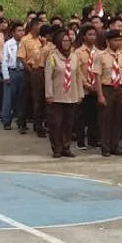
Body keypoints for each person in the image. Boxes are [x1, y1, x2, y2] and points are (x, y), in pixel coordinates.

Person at [44, 29, 80, 158]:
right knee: (56, 123)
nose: (66, 43)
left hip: (71, 95)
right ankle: (57, 148)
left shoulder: (74, 57)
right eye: (63, 41)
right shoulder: (53, 57)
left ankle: (66, 147)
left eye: (68, 41)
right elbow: (48, 76)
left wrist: (80, 93)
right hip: (57, 95)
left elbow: (78, 76)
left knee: (68, 123)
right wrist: (49, 94)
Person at [97, 29, 122, 157]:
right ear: (108, 41)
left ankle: (115, 146)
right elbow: (97, 76)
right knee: (106, 119)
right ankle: (105, 147)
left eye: (119, 40)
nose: (118, 43)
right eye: (115, 40)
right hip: (107, 87)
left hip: (120, 89)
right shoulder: (101, 55)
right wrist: (100, 95)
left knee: (118, 119)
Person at [0, 22, 26, 132]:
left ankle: (21, 123)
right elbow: (4, 61)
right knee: (9, 98)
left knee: (21, 98)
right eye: (19, 31)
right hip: (12, 71)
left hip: (23, 71)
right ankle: (6, 121)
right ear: (13, 32)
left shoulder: (25, 43)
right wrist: (6, 76)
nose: (21, 33)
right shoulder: (8, 44)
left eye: (22, 30)